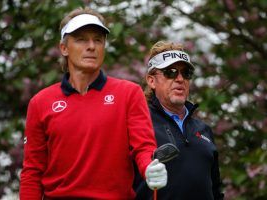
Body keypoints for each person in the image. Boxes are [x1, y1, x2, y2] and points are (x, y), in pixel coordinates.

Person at [20, 7, 168, 199]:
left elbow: (143, 147)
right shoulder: (40, 102)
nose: (91, 46)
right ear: (63, 48)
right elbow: (32, 172)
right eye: (81, 39)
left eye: (98, 40)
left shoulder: (129, 93)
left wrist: (149, 166)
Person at [134, 41, 224, 200]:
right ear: (151, 81)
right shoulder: (138, 123)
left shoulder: (204, 130)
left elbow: (216, 190)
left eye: (186, 73)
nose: (180, 79)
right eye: (171, 72)